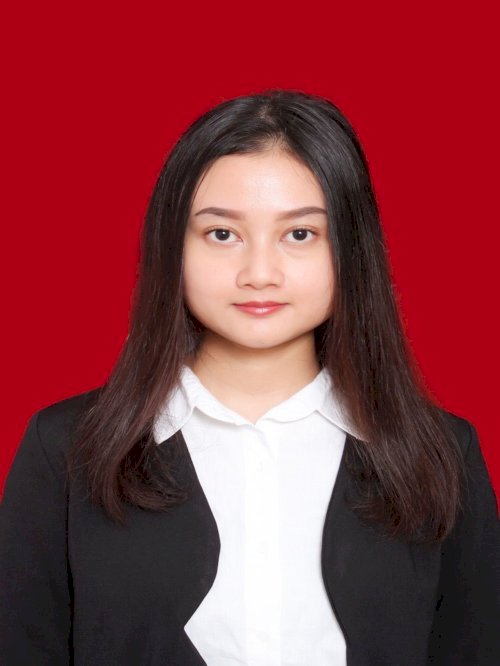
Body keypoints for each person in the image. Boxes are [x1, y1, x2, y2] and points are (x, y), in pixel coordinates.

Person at [0, 89, 499, 666]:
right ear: (172, 245)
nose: (259, 273)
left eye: (300, 234)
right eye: (222, 234)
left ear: (351, 249)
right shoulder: (67, 449)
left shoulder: (441, 453)